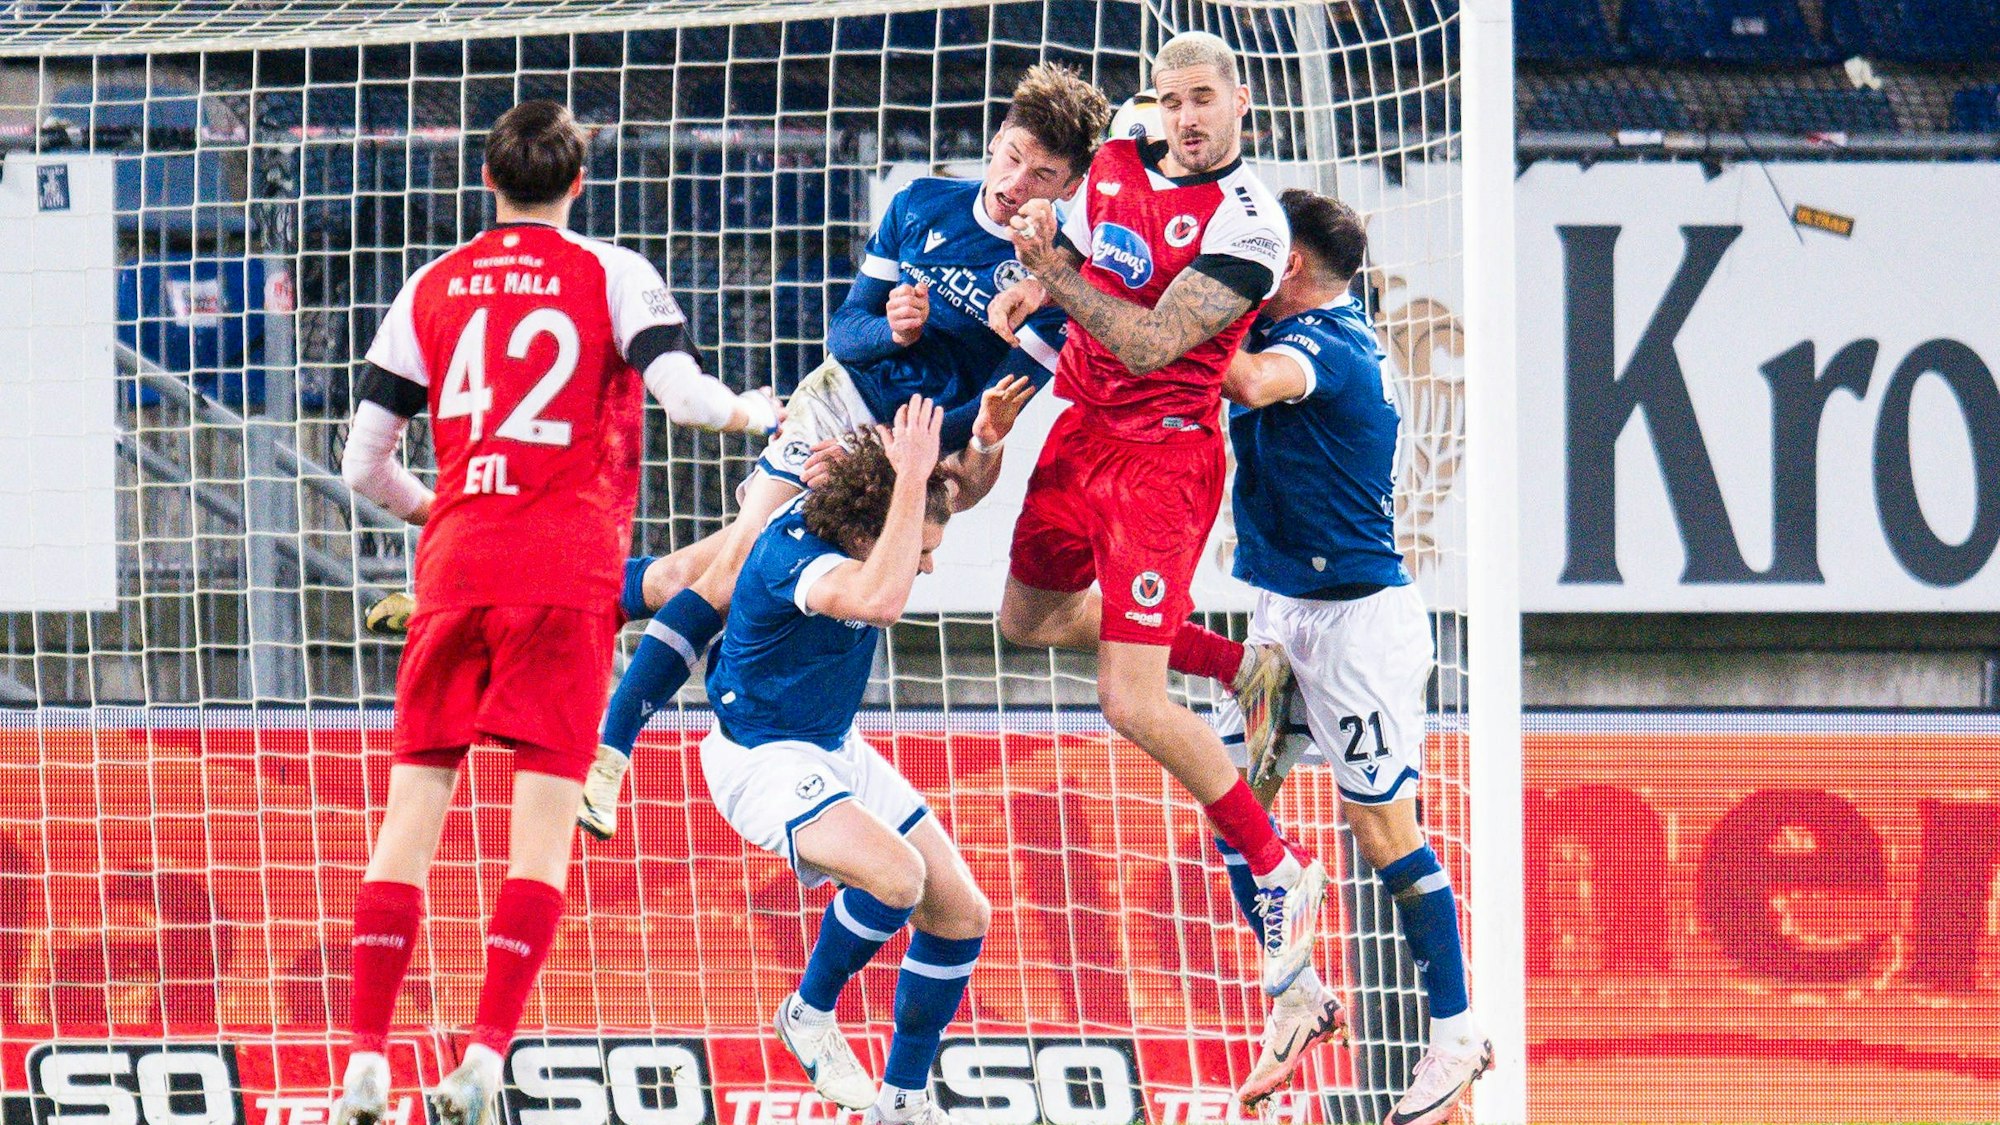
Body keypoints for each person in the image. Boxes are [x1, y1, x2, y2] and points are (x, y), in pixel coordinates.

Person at [329, 100, 775, 1125]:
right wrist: (754, 409)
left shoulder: (428, 285)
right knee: (538, 840)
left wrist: (446, 514)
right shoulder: (610, 272)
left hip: (454, 571)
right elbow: (685, 397)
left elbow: (363, 465)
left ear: (487, 184)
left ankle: (363, 1058)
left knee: (407, 826)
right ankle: (484, 1057)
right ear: (578, 184)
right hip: (565, 579)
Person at [563, 62, 1113, 840]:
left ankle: (537, 599)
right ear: (995, 142)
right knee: (733, 567)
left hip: (919, 451)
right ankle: (608, 756)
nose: (1018, 181)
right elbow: (844, 332)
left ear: (1068, 187)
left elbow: (991, 414)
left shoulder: (1062, 290)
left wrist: (910, 453)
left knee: (699, 569)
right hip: (838, 403)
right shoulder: (924, 202)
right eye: (1013, 155)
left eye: (1044, 174)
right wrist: (891, 328)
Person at [988, 30, 1320, 998]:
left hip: (1159, 464)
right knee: (1024, 620)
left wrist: (1046, 272)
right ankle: (1237, 668)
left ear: (1239, 101)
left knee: (1125, 700)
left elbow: (1144, 341)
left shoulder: (1250, 228)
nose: (1184, 118)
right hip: (1076, 431)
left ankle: (1276, 868)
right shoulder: (1126, 140)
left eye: (1202, 100)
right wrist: (1036, 277)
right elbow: (1102, 248)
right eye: (1171, 100)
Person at [1212, 190, 1489, 1123]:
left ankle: (1454, 1034)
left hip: (1357, 626)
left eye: (1258, 249)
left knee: (1383, 833)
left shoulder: (1327, 345)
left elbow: (1249, 384)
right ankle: (1300, 995)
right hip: (1281, 610)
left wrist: (1181, 319)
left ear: (1288, 264)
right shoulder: (1282, 321)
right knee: (1227, 789)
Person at [699, 398, 986, 1125]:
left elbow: (961, 490)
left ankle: (904, 1101)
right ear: (869, 529)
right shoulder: (797, 558)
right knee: (897, 877)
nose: (925, 565)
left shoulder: (861, 527)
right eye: (920, 549)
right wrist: (914, 471)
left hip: (831, 745)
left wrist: (985, 441)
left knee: (959, 912)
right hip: (759, 759)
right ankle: (808, 1011)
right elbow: (880, 599)